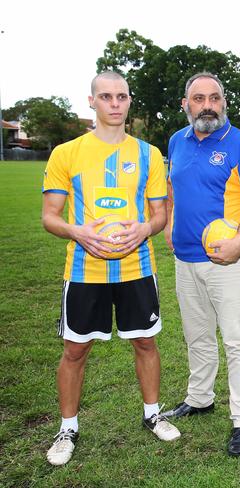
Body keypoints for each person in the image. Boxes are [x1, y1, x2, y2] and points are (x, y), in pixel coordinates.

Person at [41, 71, 180, 466]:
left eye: (121, 96)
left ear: (130, 101)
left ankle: (153, 415)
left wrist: (145, 229)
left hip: (137, 267)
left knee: (146, 343)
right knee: (74, 350)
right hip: (85, 271)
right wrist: (77, 231)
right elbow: (50, 217)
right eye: (106, 96)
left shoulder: (148, 155)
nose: (114, 104)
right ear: (91, 101)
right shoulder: (65, 154)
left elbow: (159, 214)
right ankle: (68, 426)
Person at [162, 72, 240, 457]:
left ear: (224, 102)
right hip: (186, 258)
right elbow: (172, 187)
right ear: (186, 104)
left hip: (231, 261)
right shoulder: (176, 140)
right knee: (198, 336)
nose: (208, 105)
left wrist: (239, 242)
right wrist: (171, 225)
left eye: (215, 98)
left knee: (238, 341)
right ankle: (200, 397)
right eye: (199, 98)